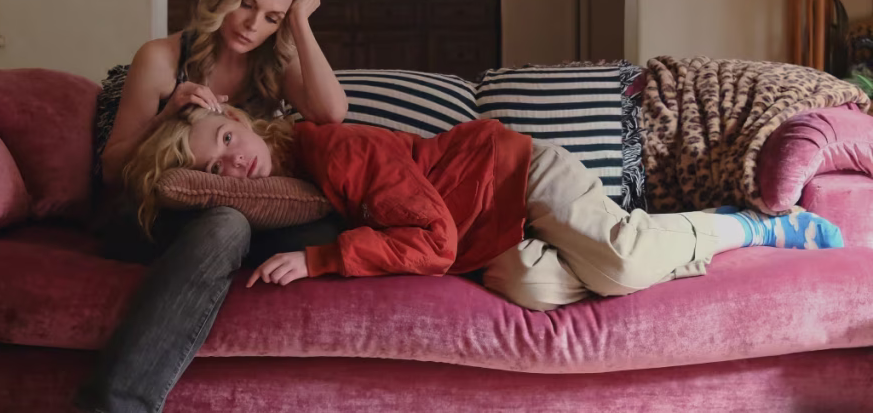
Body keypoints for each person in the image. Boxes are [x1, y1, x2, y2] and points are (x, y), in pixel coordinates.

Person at [125, 105, 845, 311]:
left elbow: (431, 240)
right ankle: (649, 240)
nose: (232, 165)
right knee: (532, 285)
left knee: (623, 262)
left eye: (226, 140)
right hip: (484, 240)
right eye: (213, 170)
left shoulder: (332, 149)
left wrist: (320, 259)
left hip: (515, 176)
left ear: (242, 119)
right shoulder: (285, 195)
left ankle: (749, 224)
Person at [76, 0, 348, 413]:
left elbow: (332, 113)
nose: (252, 25)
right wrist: (167, 115)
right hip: (151, 212)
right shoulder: (162, 57)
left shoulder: (273, 62)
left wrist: (300, 23)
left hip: (244, 218)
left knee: (327, 226)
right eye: (247, 3)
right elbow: (114, 169)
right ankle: (113, 405)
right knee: (227, 224)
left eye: (272, 17)